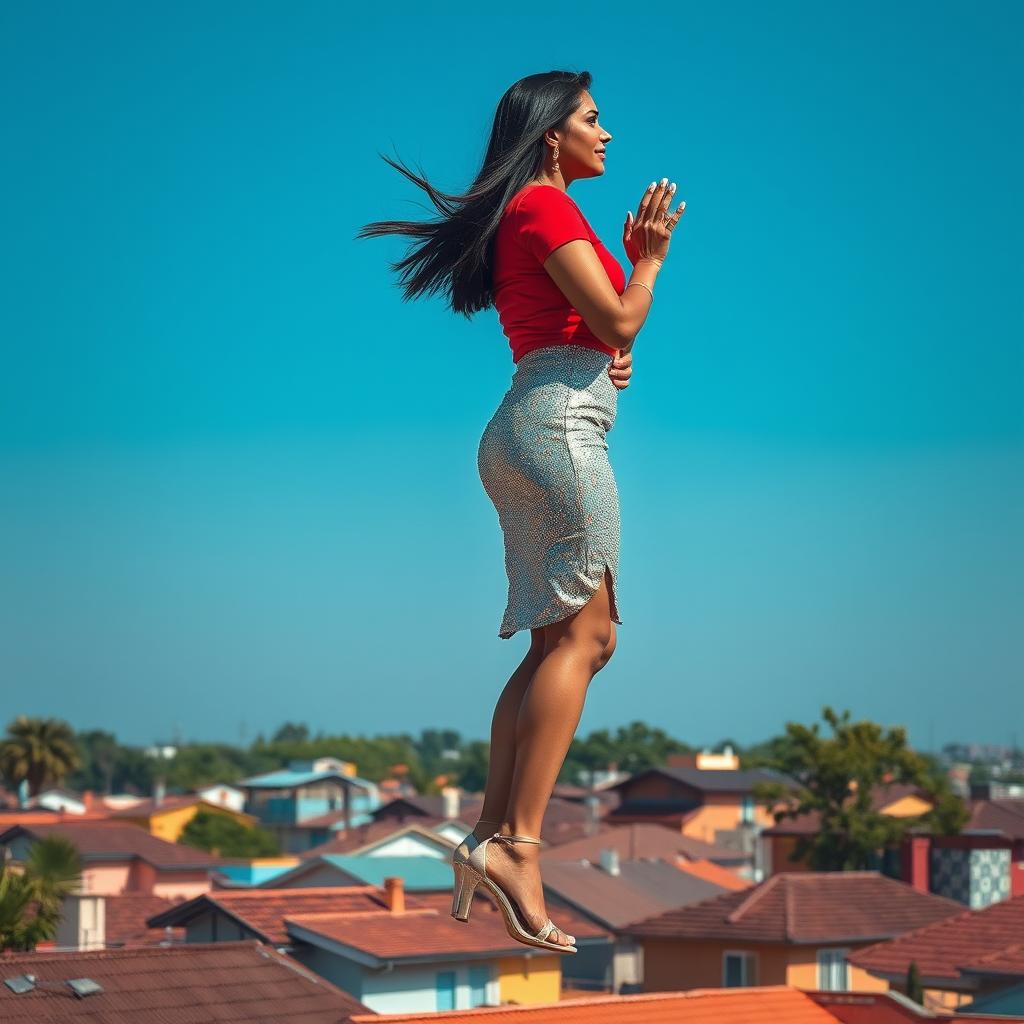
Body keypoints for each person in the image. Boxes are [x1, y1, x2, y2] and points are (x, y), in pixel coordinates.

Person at [355, 70, 684, 953]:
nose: (606, 133)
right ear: (551, 136)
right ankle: (518, 846)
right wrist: (648, 263)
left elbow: (587, 338)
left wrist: (606, 359)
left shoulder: (533, 215)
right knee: (589, 636)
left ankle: (492, 836)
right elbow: (618, 319)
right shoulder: (545, 209)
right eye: (591, 118)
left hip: (533, 423)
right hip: (555, 436)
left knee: (557, 639)